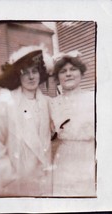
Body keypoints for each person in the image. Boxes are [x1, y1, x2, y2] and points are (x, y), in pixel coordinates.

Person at [0, 45, 54, 197]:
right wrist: (7, 176)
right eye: (25, 73)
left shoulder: (47, 103)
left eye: (34, 71)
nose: (31, 77)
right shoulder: (6, 103)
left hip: (44, 178)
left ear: (40, 74)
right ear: (18, 77)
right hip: (17, 180)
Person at [49, 50, 96, 197]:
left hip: (88, 156)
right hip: (64, 159)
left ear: (81, 74)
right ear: (58, 77)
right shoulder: (52, 104)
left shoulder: (93, 98)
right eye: (63, 71)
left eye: (73, 69)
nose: (68, 74)